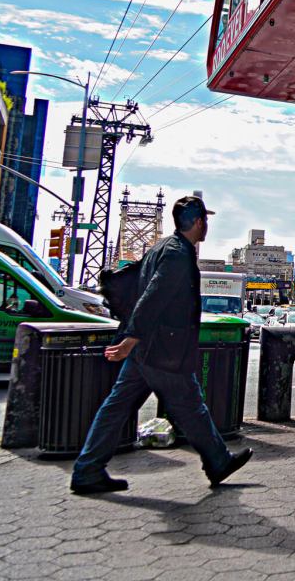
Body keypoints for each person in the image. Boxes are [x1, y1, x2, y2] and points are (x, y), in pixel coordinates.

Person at [70, 196, 253, 494]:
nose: (206, 226)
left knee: (117, 407)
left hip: (148, 350)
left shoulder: (161, 247)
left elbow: (134, 286)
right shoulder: (178, 254)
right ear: (197, 223)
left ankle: (87, 470)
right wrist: (132, 337)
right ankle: (218, 462)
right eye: (204, 220)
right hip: (163, 350)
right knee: (190, 406)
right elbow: (153, 296)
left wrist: (133, 338)